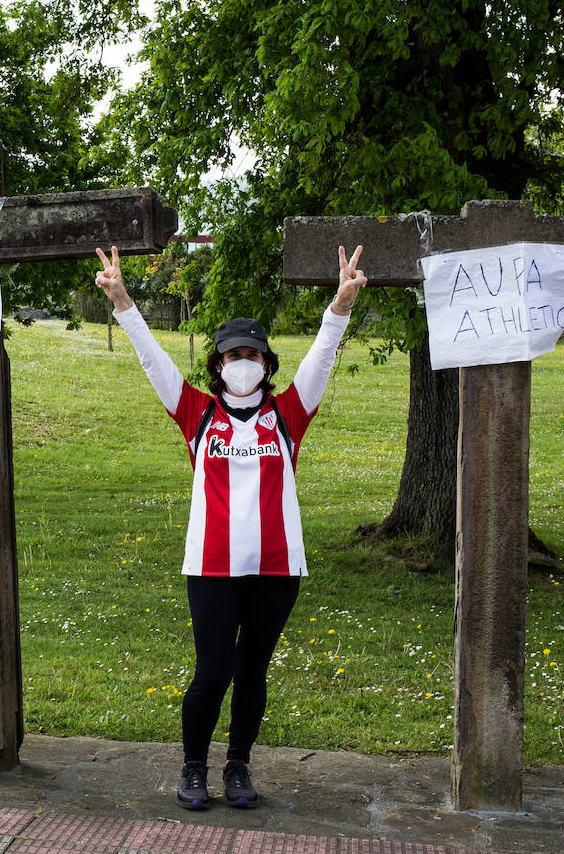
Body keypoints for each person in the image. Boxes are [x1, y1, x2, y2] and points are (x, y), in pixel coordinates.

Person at [93, 243, 367, 810]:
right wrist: (121, 301)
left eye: (253, 354)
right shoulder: (198, 414)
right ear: (217, 365)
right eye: (232, 355)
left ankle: (237, 767)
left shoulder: (288, 414)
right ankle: (193, 767)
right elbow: (154, 362)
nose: (243, 362)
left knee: (253, 671)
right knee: (213, 670)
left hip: (276, 568)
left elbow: (321, 356)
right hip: (212, 566)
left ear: (266, 364)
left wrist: (340, 304)